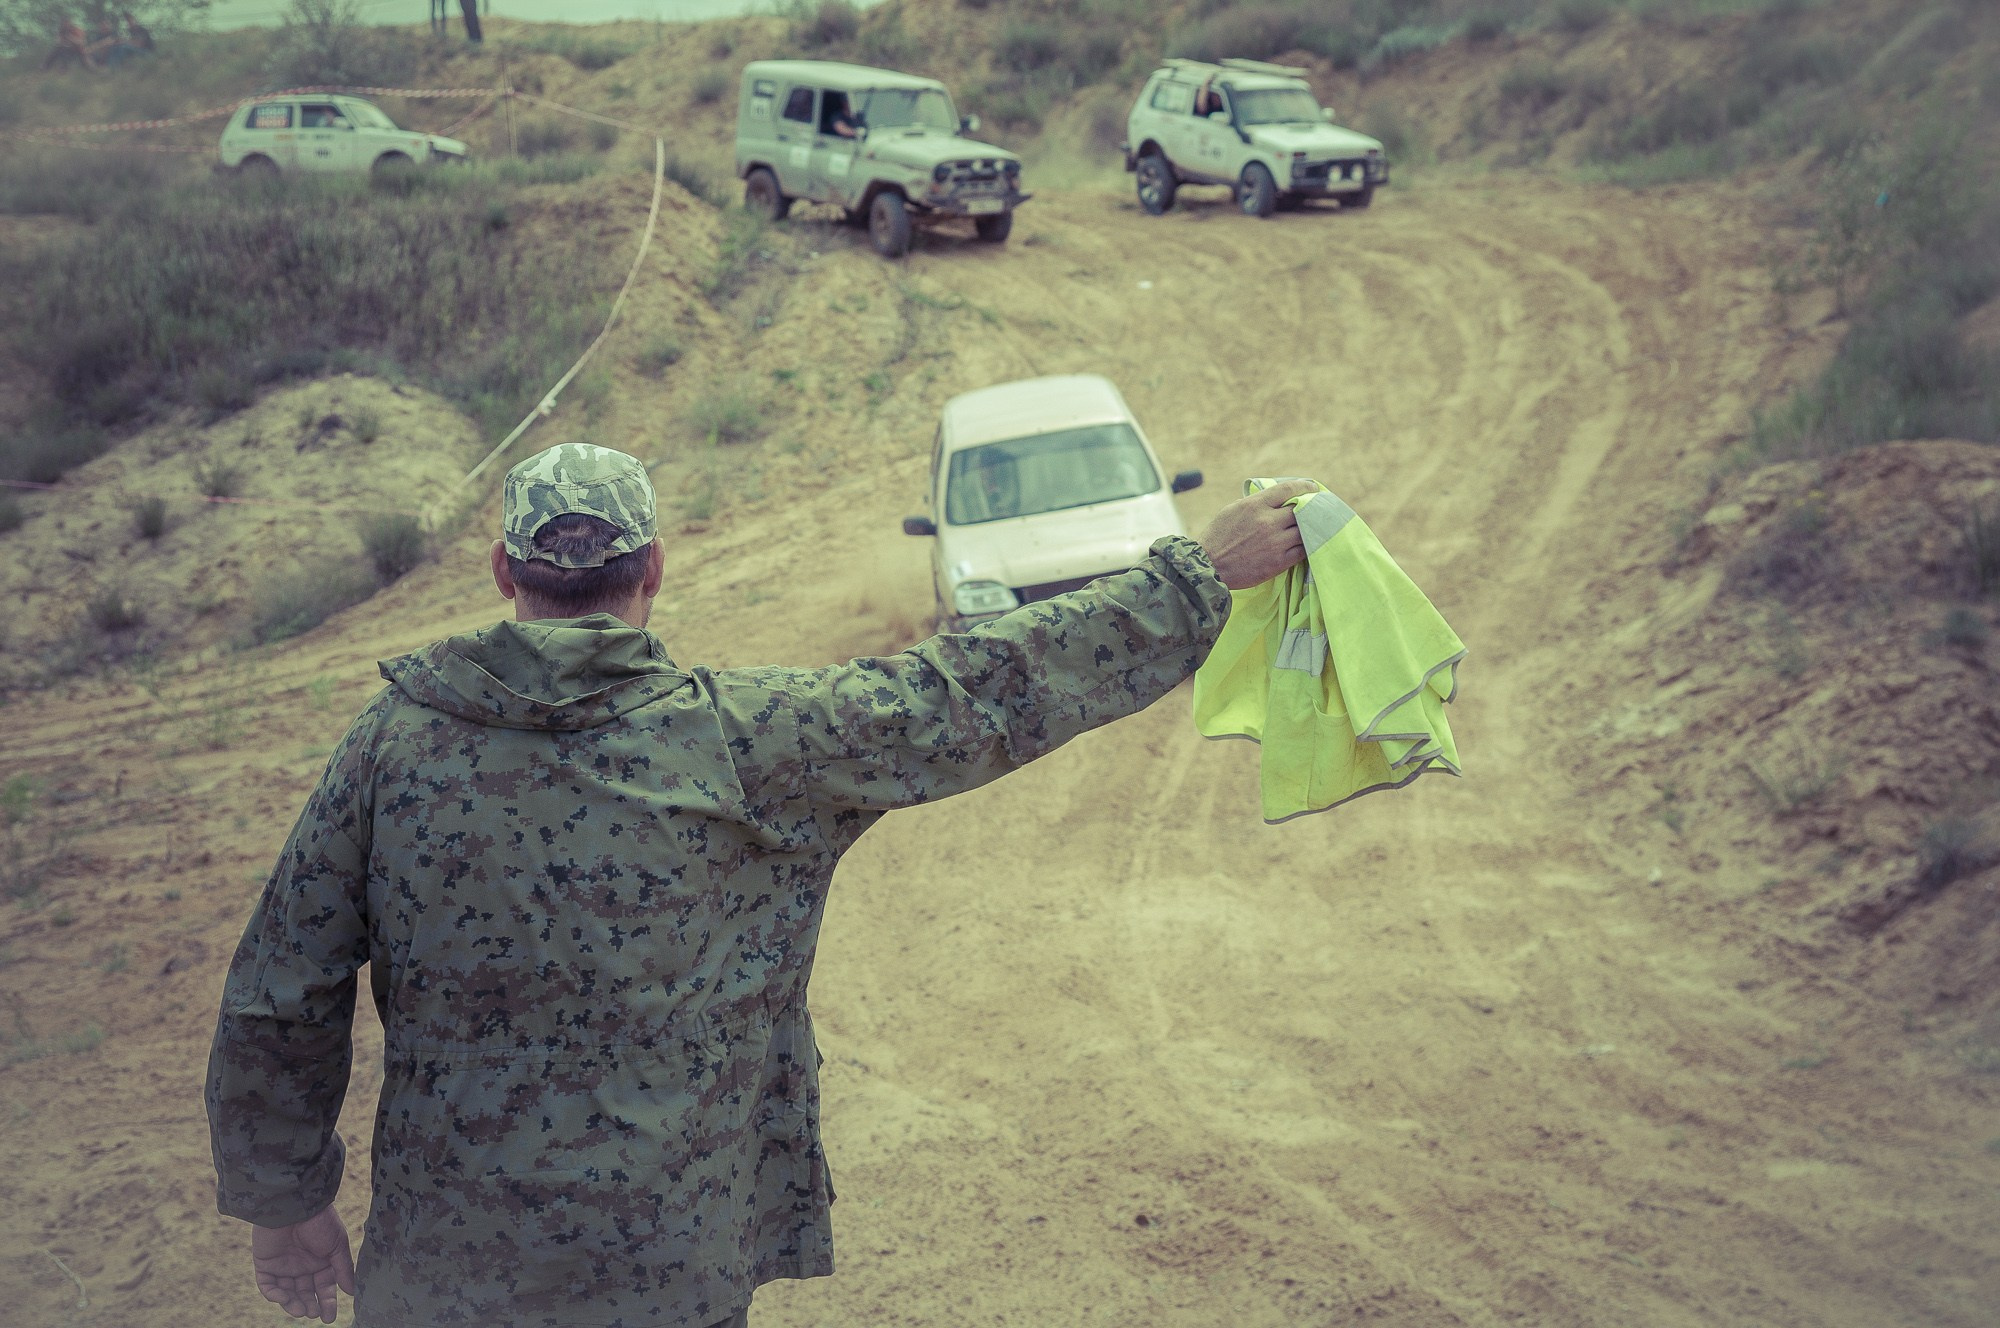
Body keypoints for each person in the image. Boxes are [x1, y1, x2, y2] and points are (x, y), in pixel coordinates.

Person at [204, 442, 1312, 1328]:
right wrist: (1193, 577)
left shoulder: (390, 744)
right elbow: (974, 689)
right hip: (669, 1263)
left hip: (444, 1263)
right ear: (652, 571)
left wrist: (283, 1200)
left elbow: (279, 991)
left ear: (503, 573)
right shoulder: (753, 738)